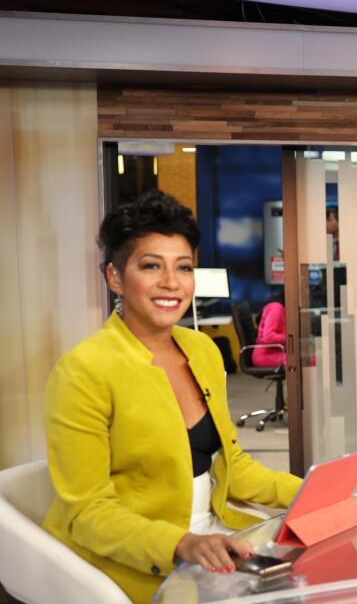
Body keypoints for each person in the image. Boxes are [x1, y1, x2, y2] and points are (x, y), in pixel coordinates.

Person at [42, 191, 303, 604]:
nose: (171, 283)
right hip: (140, 556)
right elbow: (87, 511)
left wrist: (306, 492)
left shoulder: (201, 350)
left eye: (183, 268)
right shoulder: (83, 371)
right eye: (151, 266)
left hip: (215, 537)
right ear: (114, 277)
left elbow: (232, 467)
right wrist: (180, 544)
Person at [252, 291, 285, 368]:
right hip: (265, 356)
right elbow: (269, 337)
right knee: (305, 361)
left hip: (276, 352)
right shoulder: (276, 309)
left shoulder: (283, 309)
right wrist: (291, 338)